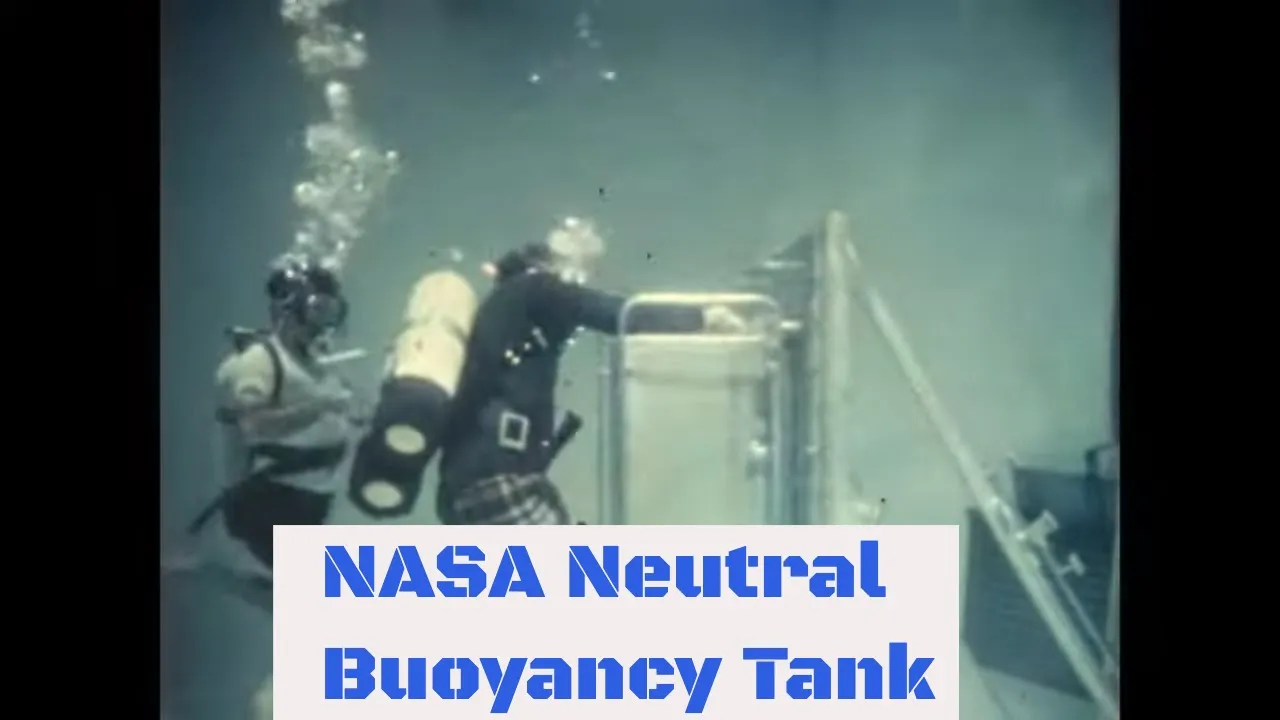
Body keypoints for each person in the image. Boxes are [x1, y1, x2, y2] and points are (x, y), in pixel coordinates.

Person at [435, 218, 746, 525]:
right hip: (498, 477)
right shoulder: (539, 288)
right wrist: (702, 319)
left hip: (466, 483)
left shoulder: (506, 302)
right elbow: (617, 314)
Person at [196, 256, 362, 572]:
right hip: (268, 509)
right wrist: (321, 406)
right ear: (289, 307)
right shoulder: (258, 363)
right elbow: (255, 426)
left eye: (332, 311)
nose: (324, 324)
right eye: (318, 309)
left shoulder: (314, 365)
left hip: (305, 507)